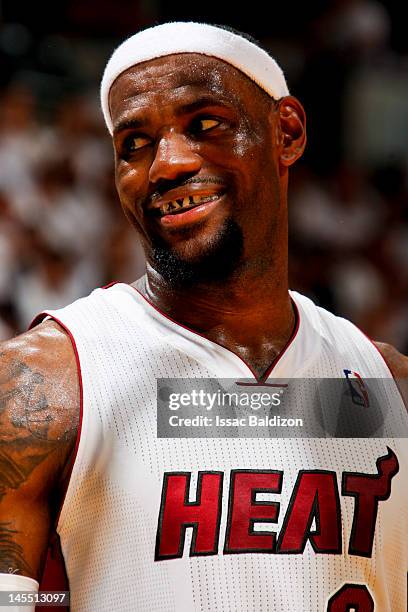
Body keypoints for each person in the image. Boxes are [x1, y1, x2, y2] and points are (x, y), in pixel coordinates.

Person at [0, 21, 407, 612]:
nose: (167, 164)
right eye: (133, 144)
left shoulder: (386, 386)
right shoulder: (44, 387)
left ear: (286, 133)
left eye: (206, 125)